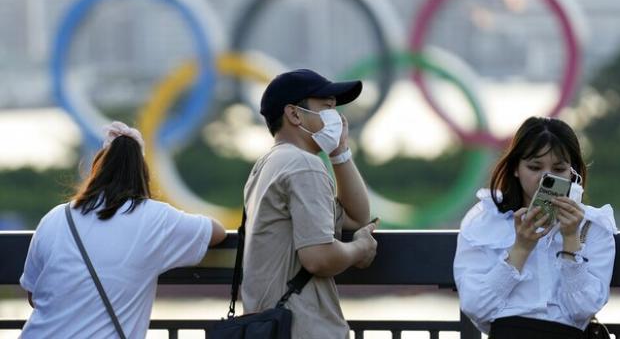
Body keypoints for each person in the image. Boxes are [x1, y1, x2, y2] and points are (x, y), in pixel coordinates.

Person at [20, 121, 226, 338]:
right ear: (142, 173)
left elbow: (34, 296)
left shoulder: (55, 217)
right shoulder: (156, 218)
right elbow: (216, 232)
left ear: (97, 168)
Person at [241, 69, 378, 339]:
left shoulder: (268, 165)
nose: (337, 118)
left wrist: (339, 153)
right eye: (327, 107)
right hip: (302, 327)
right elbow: (318, 257)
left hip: (268, 326)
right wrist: (360, 248)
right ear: (294, 114)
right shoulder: (304, 167)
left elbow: (356, 216)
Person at [454, 116, 617, 339]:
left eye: (558, 169)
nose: (545, 178)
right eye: (534, 167)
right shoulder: (485, 221)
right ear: (515, 169)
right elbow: (476, 306)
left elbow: (582, 310)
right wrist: (521, 248)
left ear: (573, 172)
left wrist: (570, 240)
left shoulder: (592, 225)